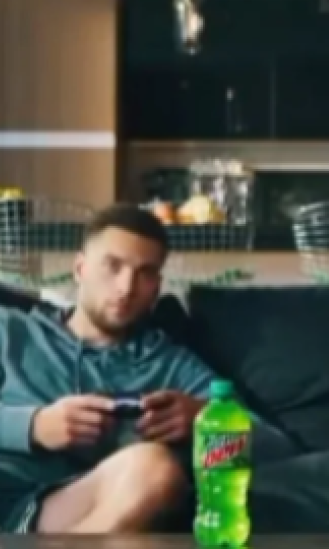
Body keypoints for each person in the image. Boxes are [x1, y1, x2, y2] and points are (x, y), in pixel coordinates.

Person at [0, 203, 220, 533]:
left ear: (156, 288)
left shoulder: (169, 362)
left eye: (144, 272)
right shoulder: (10, 331)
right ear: (80, 269)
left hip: (75, 508)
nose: (126, 287)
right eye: (112, 266)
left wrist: (205, 420)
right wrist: (35, 426)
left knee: (154, 468)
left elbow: (273, 443)